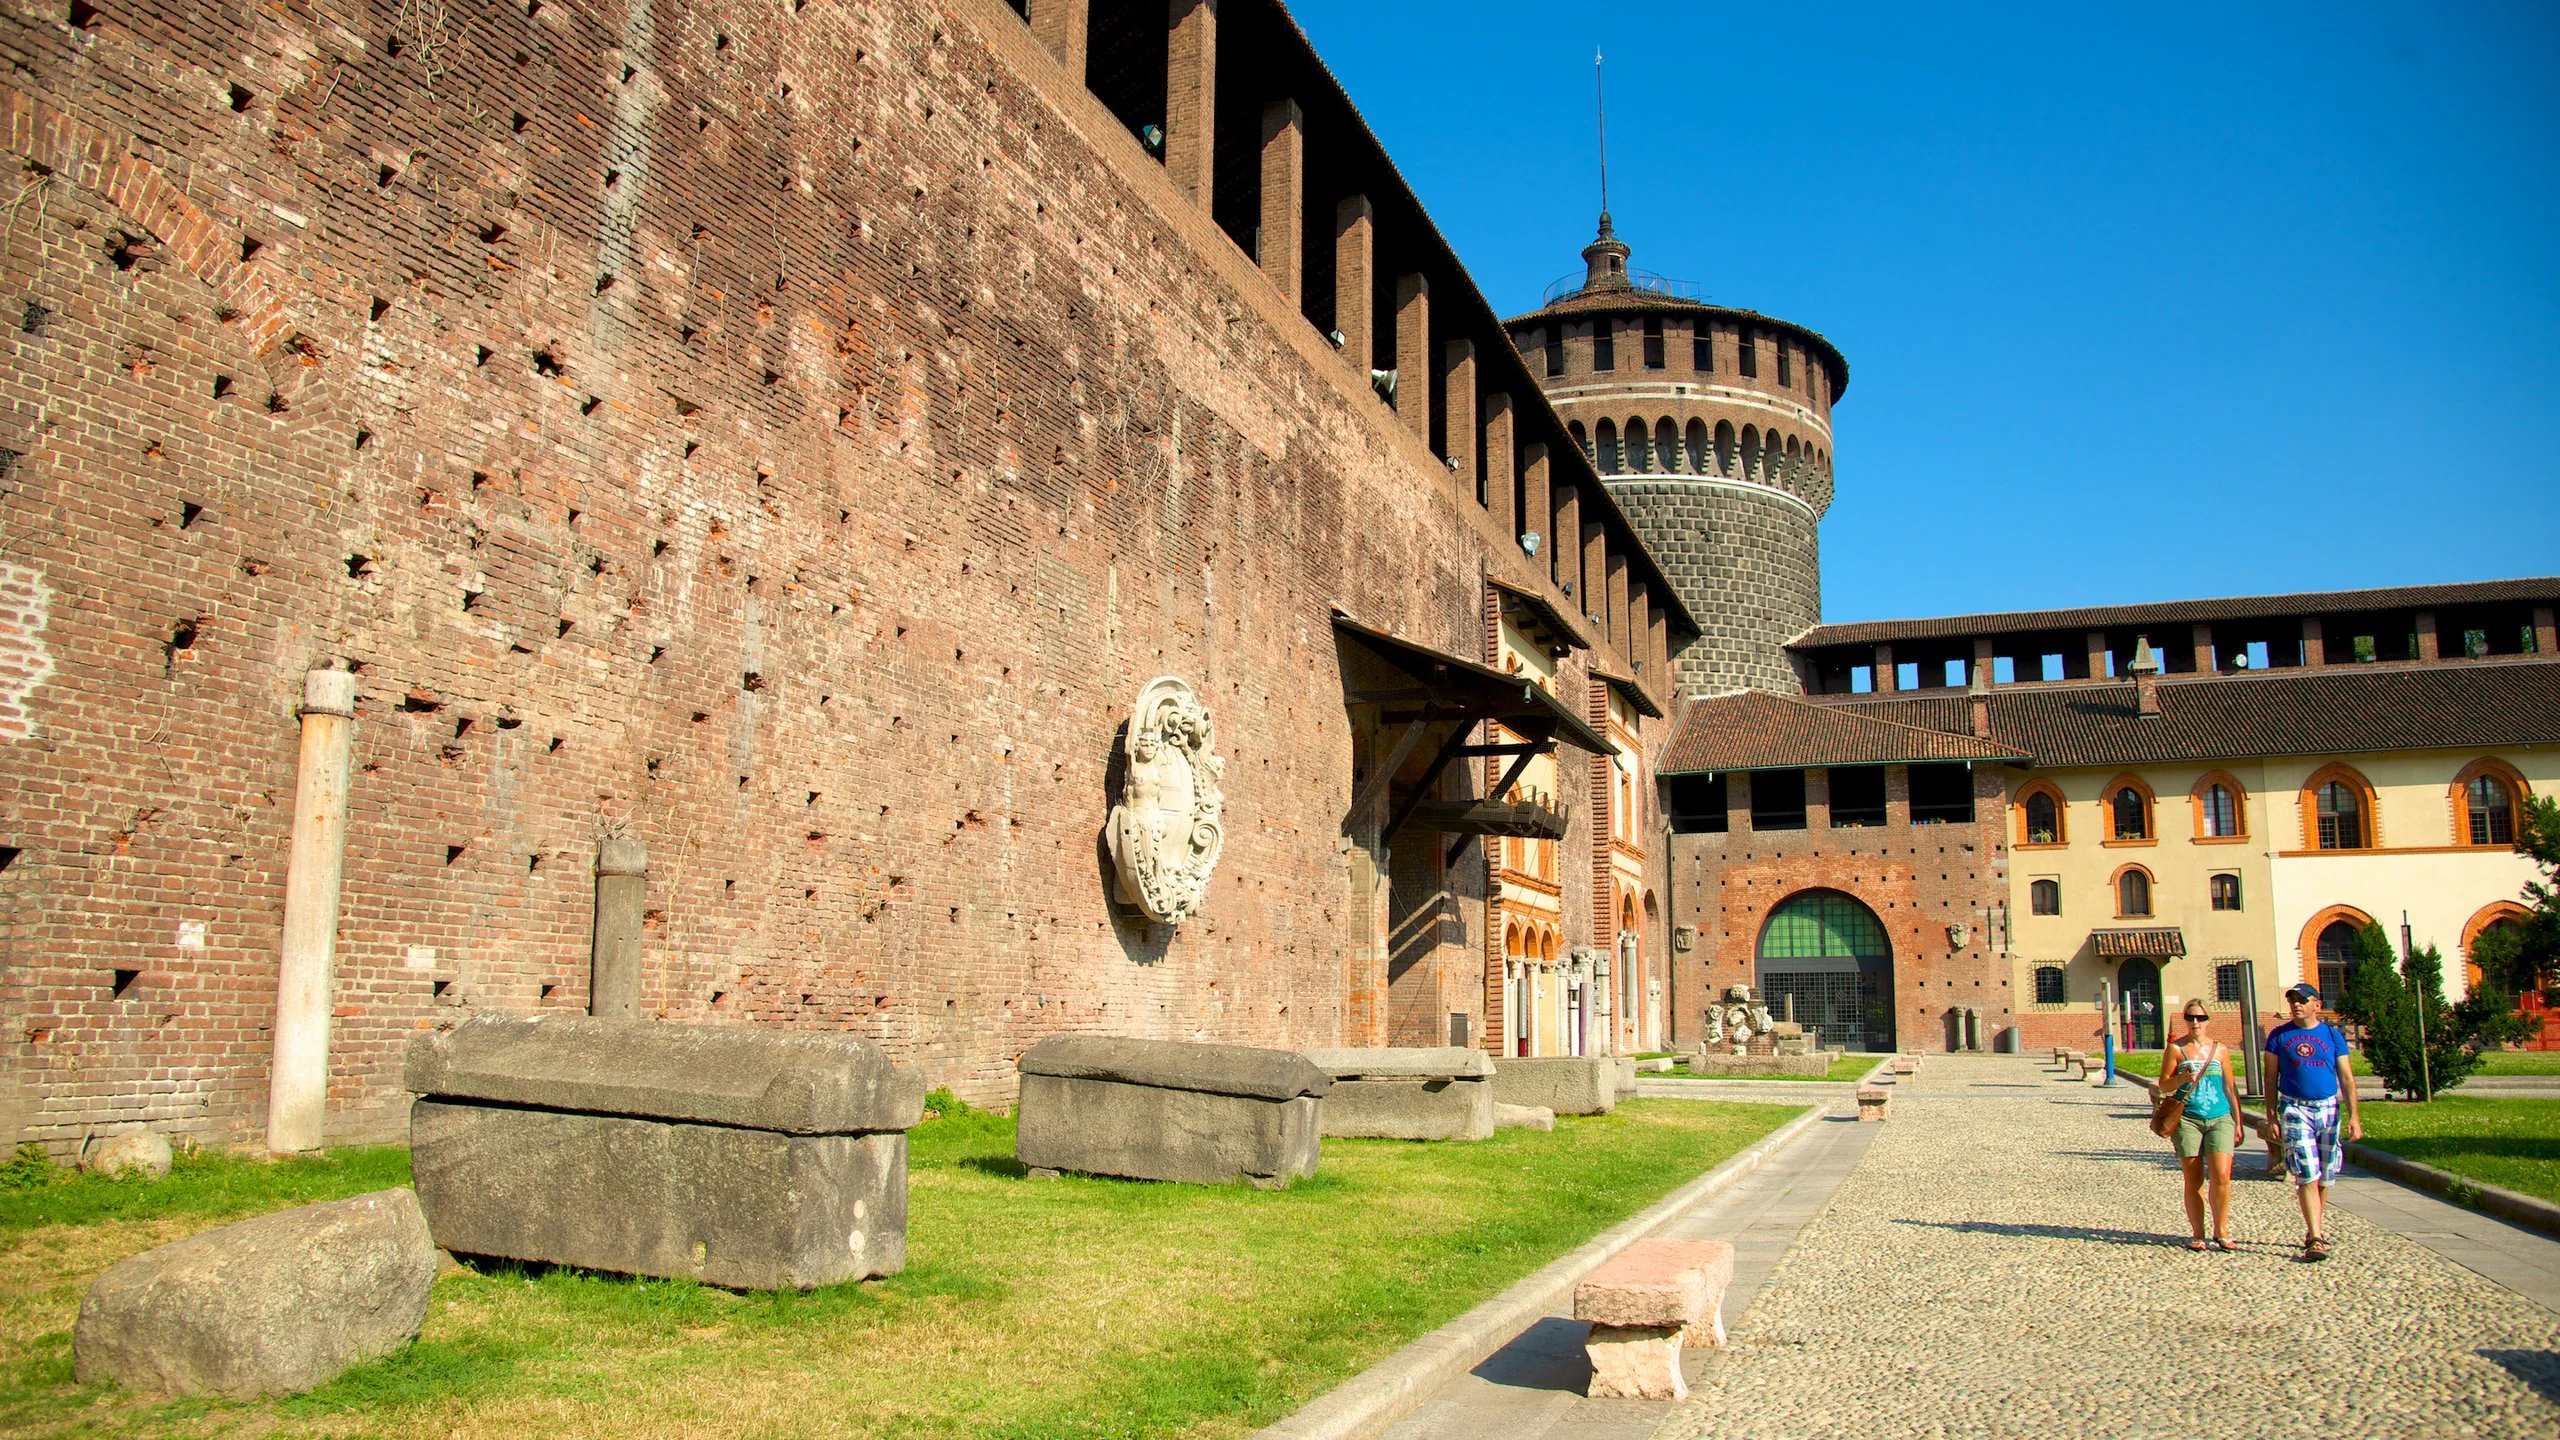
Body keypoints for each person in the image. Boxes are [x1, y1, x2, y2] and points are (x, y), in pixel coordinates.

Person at [2263, 983, 2361, 1261]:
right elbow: (2270, 1078)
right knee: (2306, 1171)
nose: (2296, 1005)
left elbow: (2347, 1078)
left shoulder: (2332, 1035)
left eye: (2302, 1000)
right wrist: (2272, 1116)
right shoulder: (2279, 1036)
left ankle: (2314, 1226)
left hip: (2328, 1107)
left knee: (2325, 1175)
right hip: (2295, 1108)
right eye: (2292, 1000)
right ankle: (2316, 1236)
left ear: (2316, 1004)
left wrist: (2354, 1116)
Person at [2162, 1001, 2242, 1251]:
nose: (2195, 1022)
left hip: (2219, 1117)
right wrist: (2181, 1079)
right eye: (2190, 1017)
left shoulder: (2220, 1050)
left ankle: (2222, 1230)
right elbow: (2163, 1085)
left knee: (2222, 1176)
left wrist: (2238, 1122)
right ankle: (2199, 1233)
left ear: (2208, 1019)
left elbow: (2230, 1088)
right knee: (2193, 1179)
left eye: (2200, 1017)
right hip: (2188, 1120)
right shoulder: (2176, 1049)